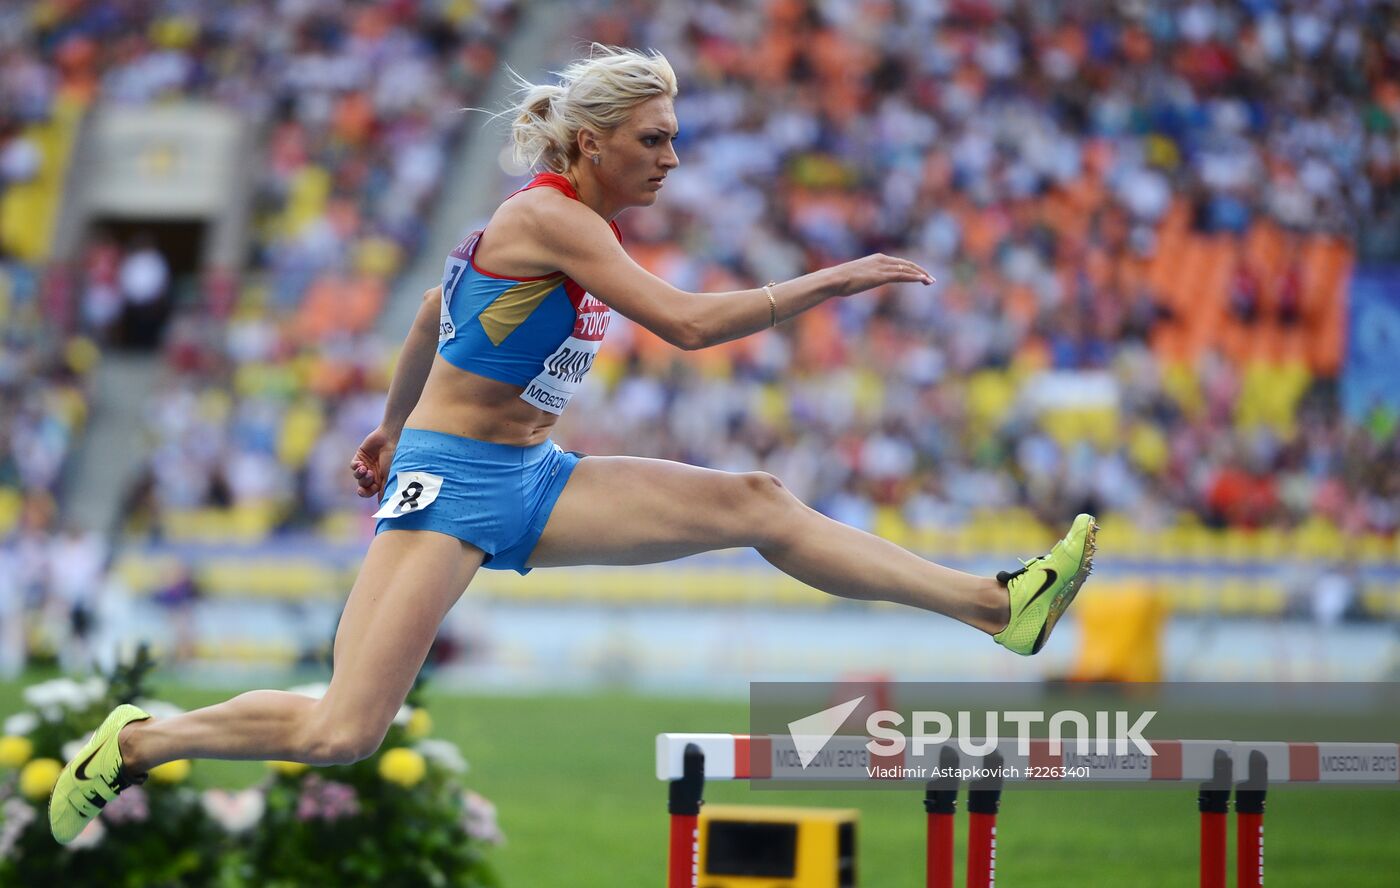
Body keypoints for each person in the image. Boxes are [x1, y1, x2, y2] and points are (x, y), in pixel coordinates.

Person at [49, 45, 1096, 844]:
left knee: (755, 499)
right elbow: (684, 326)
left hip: (528, 477)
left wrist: (385, 418)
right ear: (590, 143)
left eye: (674, 138)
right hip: (451, 490)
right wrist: (832, 278)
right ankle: (141, 742)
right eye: (653, 140)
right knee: (342, 732)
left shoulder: (556, 232)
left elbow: (427, 313)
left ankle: (997, 607)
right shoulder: (551, 221)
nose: (672, 159)